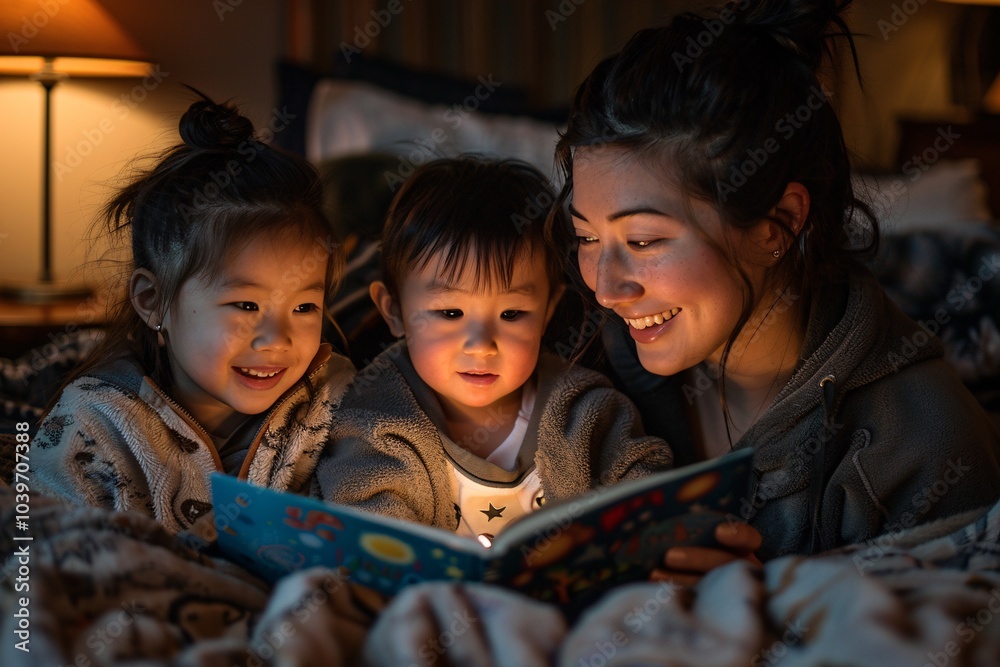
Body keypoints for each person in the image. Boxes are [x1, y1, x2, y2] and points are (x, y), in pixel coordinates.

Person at [546, 0, 1000, 567]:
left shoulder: (922, 443)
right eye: (587, 239)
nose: (606, 290)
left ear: (776, 225)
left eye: (643, 242)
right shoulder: (583, 371)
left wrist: (768, 605)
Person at [28, 95, 356, 534]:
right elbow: (61, 566)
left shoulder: (338, 401)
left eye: (303, 307)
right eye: (246, 305)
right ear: (152, 301)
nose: (277, 339)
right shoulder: (93, 427)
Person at [317, 156, 673, 541]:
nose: (482, 346)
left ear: (548, 311)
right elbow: (370, 536)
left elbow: (649, 496)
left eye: (512, 313)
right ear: (395, 311)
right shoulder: (373, 418)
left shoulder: (584, 411)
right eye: (450, 312)